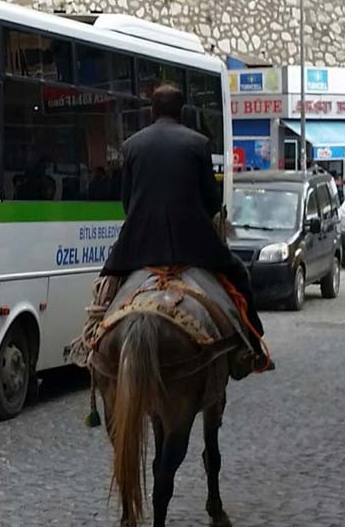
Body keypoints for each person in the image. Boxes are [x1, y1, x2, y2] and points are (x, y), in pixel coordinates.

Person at [77, 84, 269, 371]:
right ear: (181, 112)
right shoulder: (198, 144)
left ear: (151, 111)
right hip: (193, 244)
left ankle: (90, 344)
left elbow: (127, 203)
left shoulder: (132, 146)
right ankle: (254, 346)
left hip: (139, 244)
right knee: (239, 275)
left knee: (105, 288)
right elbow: (211, 202)